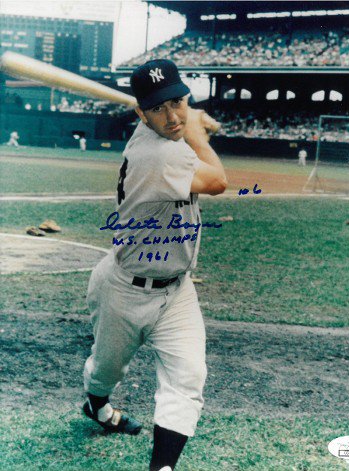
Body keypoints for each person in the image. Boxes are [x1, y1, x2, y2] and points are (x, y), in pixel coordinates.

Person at [82, 59, 227, 471]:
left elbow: (176, 127)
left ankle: (162, 468)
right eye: (159, 109)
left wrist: (185, 121)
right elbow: (217, 181)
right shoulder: (155, 153)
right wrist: (195, 128)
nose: (171, 115)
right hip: (123, 289)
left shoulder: (161, 132)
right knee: (106, 370)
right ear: (140, 113)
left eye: (177, 102)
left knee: (188, 377)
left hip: (176, 290)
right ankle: (96, 405)